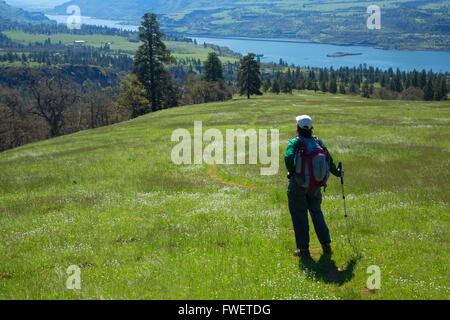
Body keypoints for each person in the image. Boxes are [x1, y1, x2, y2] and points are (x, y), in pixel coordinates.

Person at [284, 115, 344, 258]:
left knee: (300, 215)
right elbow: (328, 159)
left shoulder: (295, 142)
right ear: (311, 128)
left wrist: (292, 173)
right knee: (317, 213)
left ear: (297, 127)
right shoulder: (318, 142)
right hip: (316, 184)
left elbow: (288, 158)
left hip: (298, 184)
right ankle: (326, 245)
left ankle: (303, 250)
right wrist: (337, 173)